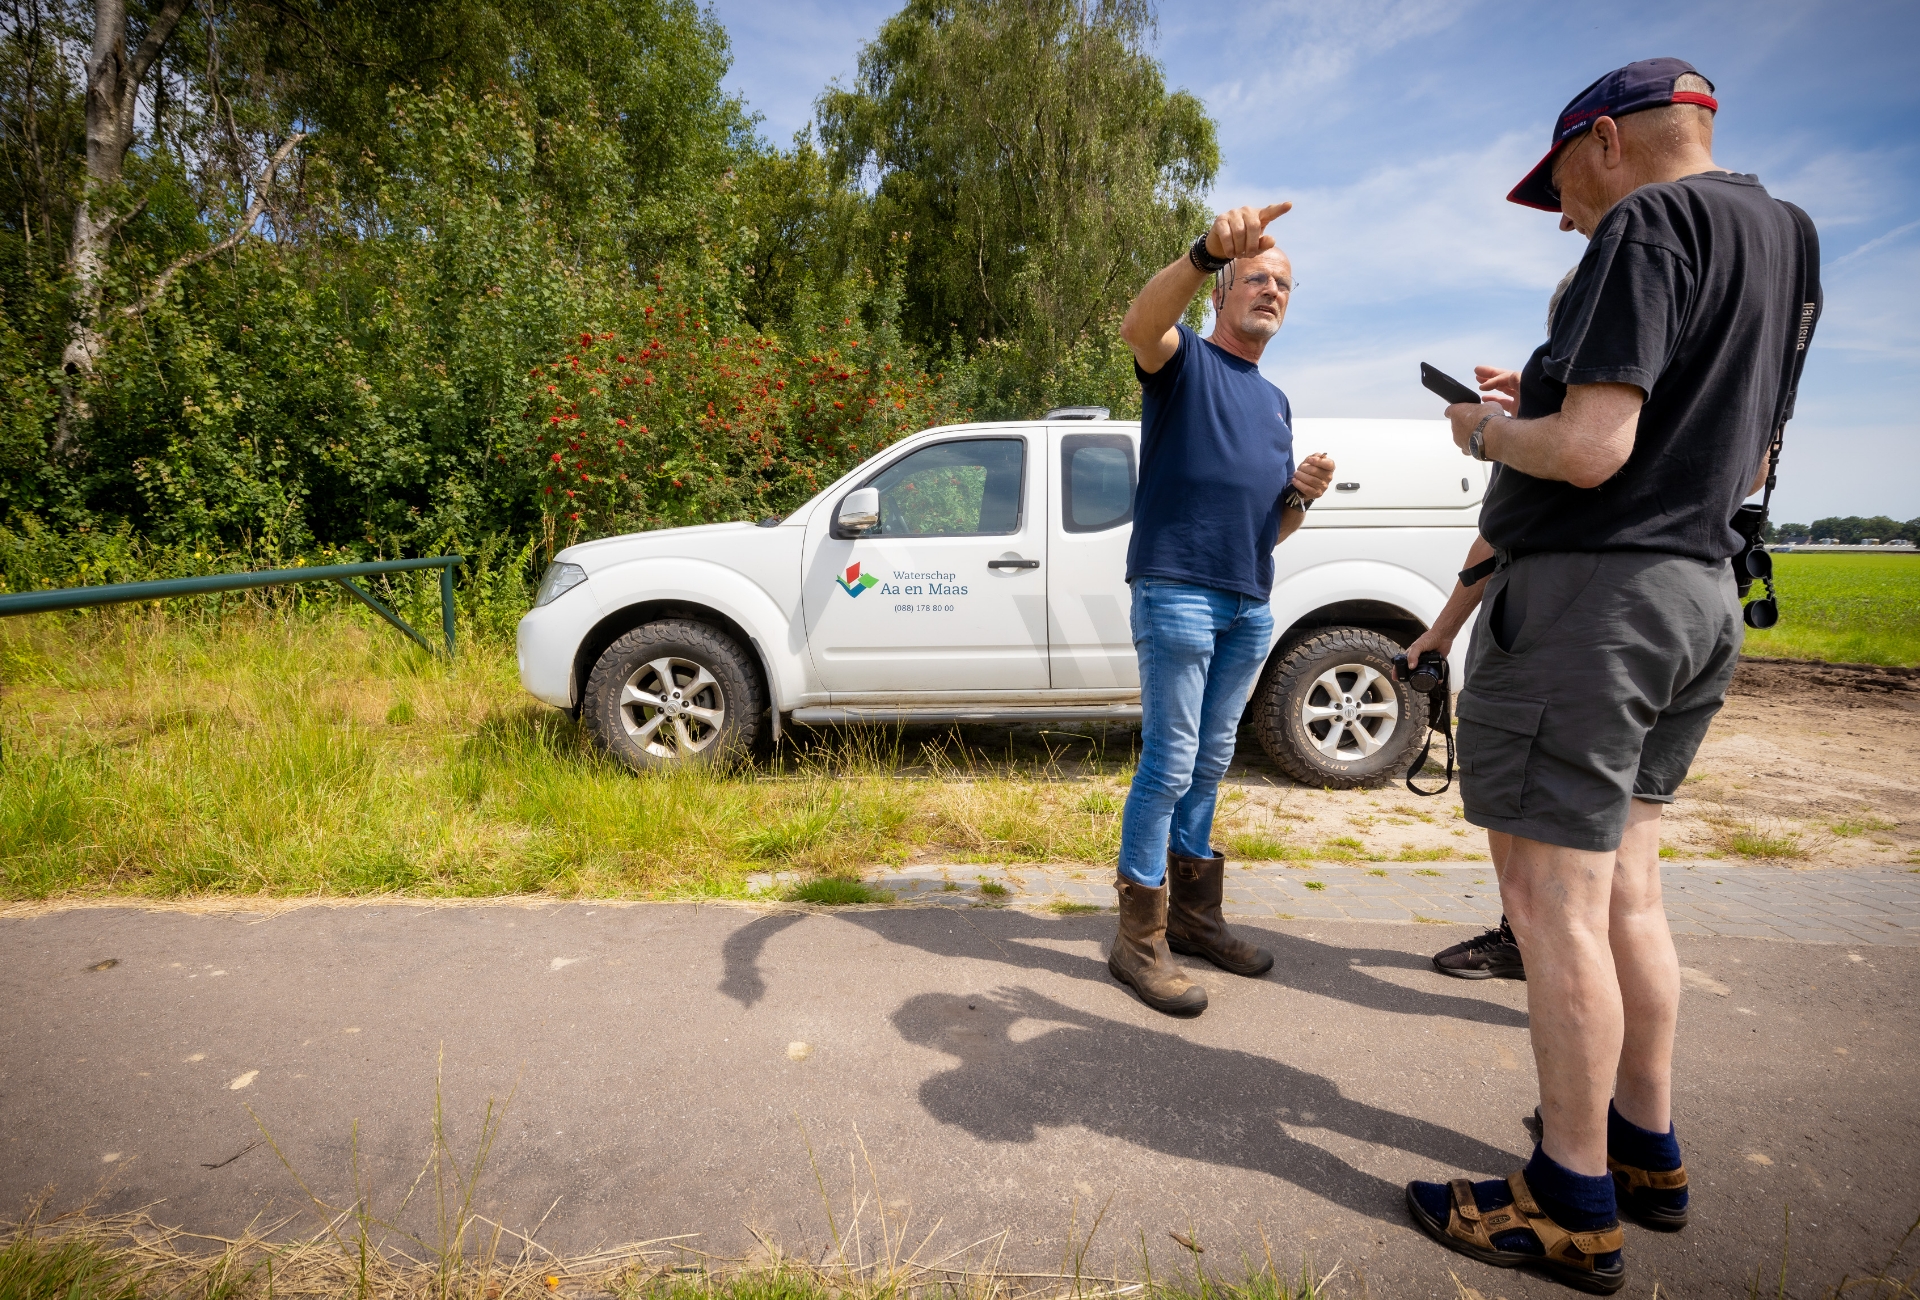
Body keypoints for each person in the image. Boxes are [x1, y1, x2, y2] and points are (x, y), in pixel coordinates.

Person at [1399, 59, 1819, 1294]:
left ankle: (1568, 1202)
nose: (1568, 217)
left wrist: (1488, 430)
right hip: (1697, 591)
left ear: (1605, 145)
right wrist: (1534, 397)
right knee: (1630, 885)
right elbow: (1740, 461)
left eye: (1561, 191)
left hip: (1597, 601)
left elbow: (1590, 448)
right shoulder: (1784, 235)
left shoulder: (1644, 222)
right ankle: (1647, 1147)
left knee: (1551, 908)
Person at [1109, 203, 1335, 1017]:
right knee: (1168, 763)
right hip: (1177, 589)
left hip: (1248, 601)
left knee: (1209, 762)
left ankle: (1196, 920)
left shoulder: (1274, 402)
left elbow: (1268, 531)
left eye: (1282, 284)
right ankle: (1137, 943)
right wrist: (1206, 251)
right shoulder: (1185, 364)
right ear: (1221, 295)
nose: (1270, 292)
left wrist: (1301, 499)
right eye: (1256, 279)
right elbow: (1140, 321)